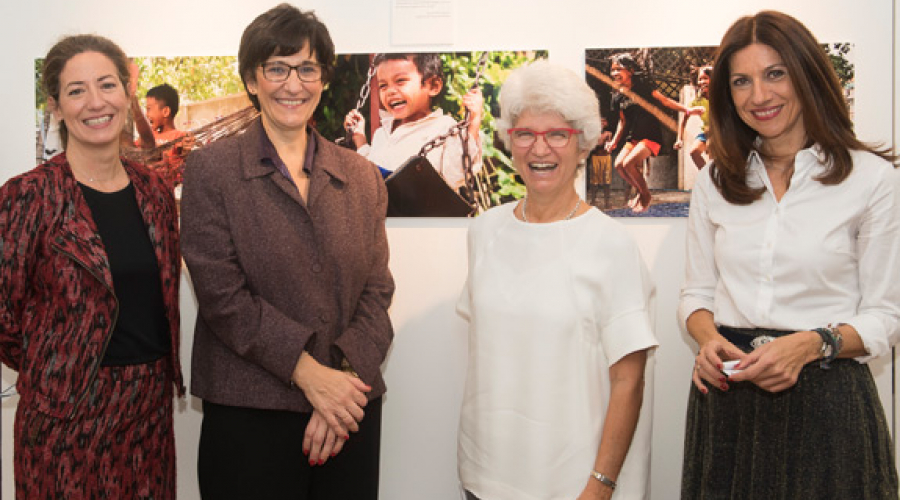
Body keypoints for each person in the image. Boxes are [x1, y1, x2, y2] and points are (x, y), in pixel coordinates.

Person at [679, 10, 900, 499]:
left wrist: (811, 344)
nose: (759, 95)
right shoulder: (716, 180)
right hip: (729, 400)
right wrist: (708, 340)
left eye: (774, 73)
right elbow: (696, 293)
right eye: (741, 81)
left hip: (828, 400)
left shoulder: (870, 180)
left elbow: (886, 317)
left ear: (806, 74)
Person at [180, 4, 394, 499]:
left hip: (347, 409)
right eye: (276, 68)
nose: (292, 84)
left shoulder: (361, 176)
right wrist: (308, 376)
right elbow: (221, 296)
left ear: (322, 79)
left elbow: (377, 291)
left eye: (306, 68)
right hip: (250, 412)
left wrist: (338, 383)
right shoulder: (212, 171)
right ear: (252, 80)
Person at [457, 60, 658, 500]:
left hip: (571, 485)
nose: (539, 149)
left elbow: (629, 382)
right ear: (510, 141)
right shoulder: (484, 232)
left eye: (557, 135)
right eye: (525, 133)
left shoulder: (611, 245)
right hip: (483, 476)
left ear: (582, 143)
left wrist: (600, 485)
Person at [0, 34, 183, 499]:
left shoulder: (156, 193)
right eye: (76, 90)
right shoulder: (27, 195)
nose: (95, 102)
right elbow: (4, 318)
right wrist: (60, 372)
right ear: (57, 107)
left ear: (126, 94)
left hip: (148, 413)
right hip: (64, 418)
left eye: (106, 85)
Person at [343, 52, 483, 193]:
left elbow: (458, 172)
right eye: (383, 86)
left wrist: (474, 121)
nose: (390, 91)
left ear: (433, 86)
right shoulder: (382, 132)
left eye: (400, 81)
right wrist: (360, 139)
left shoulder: (443, 127)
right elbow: (371, 170)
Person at [603, 52, 701, 213]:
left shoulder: (643, 87)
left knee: (629, 164)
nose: (614, 73)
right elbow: (623, 121)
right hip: (633, 137)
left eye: (618, 69)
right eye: (612, 70)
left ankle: (645, 195)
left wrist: (687, 109)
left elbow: (665, 101)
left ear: (630, 70)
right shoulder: (618, 97)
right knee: (619, 165)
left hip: (650, 135)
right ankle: (642, 192)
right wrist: (614, 141)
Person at [132, 81, 191, 187]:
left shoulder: (179, 137)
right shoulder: (149, 136)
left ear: (165, 112)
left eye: (149, 109)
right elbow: (133, 150)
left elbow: (186, 154)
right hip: (147, 185)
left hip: (165, 187)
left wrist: (187, 148)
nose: (146, 114)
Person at [674, 65, 712, 170]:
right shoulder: (697, 100)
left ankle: (715, 180)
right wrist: (679, 139)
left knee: (711, 149)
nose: (702, 82)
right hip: (706, 132)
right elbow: (684, 120)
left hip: (720, 133)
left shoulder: (720, 96)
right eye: (700, 79)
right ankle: (707, 177)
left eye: (705, 78)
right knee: (694, 152)